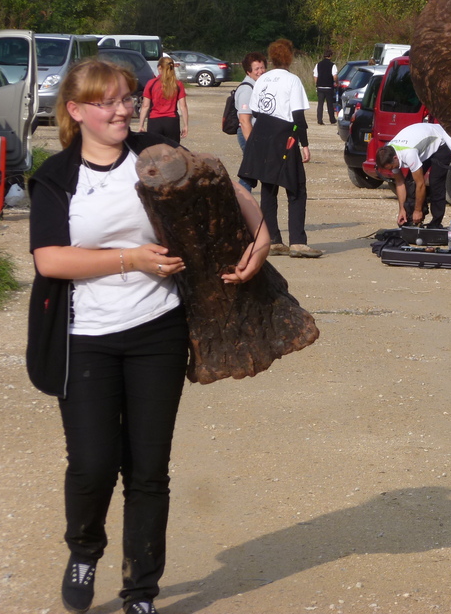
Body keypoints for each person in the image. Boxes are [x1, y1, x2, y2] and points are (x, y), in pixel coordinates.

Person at [25, 58, 269, 614]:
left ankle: (141, 590)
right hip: (84, 337)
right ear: (76, 111)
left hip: (157, 330)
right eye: (108, 102)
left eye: (127, 99)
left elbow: (222, 184)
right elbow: (50, 259)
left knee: (147, 469)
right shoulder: (58, 176)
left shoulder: (154, 153)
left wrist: (260, 234)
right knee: (92, 464)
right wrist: (129, 259)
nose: (123, 110)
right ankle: (84, 548)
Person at [238, 38, 323, 259]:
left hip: (263, 134)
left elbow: (256, 110)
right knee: (296, 188)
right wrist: (304, 144)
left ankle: (274, 240)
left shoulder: (262, 79)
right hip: (284, 135)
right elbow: (298, 116)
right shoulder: (292, 80)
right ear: (289, 57)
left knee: (269, 188)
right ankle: (298, 242)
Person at [374, 122, 451, 228]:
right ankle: (410, 219)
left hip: (441, 140)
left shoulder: (408, 153)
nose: (392, 170)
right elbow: (400, 183)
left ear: (395, 158)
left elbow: (421, 184)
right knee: (410, 183)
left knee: (435, 182)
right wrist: (402, 209)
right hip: (422, 145)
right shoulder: (389, 152)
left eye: (392, 167)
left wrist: (418, 210)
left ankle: (436, 222)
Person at [234, 51, 267, 191]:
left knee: (252, 172)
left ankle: (240, 199)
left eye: (262, 67)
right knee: (249, 173)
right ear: (248, 72)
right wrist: (252, 143)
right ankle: (240, 199)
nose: (261, 71)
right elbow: (244, 120)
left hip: (256, 134)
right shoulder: (247, 90)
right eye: (256, 69)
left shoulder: (258, 86)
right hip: (248, 134)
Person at [138, 56, 188, 143]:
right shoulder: (178, 84)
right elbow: (183, 106)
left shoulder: (151, 83)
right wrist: (186, 125)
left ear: (160, 68)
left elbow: (145, 106)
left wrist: (141, 125)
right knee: (172, 149)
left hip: (154, 121)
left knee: (155, 149)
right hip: (171, 121)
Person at [313, 49, 338, 125]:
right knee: (329, 104)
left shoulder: (318, 64)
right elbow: (335, 76)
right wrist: (336, 82)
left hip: (320, 87)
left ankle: (319, 120)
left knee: (320, 104)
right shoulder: (332, 65)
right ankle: (332, 119)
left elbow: (315, 76)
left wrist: (317, 84)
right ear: (330, 56)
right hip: (329, 87)